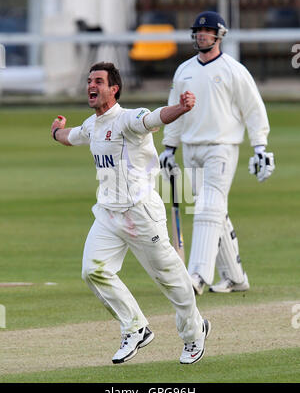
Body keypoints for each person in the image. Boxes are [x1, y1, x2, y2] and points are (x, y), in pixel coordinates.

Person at [50, 62, 211, 365]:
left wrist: (180, 108)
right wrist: (56, 131)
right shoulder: (92, 125)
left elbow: (154, 118)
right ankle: (136, 327)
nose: (91, 86)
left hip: (140, 213)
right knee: (93, 271)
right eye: (88, 81)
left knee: (170, 279)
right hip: (109, 215)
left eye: (98, 81)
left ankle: (194, 333)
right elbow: (69, 136)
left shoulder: (128, 119)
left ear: (114, 89)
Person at [159, 11, 275, 295]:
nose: (201, 35)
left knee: (208, 207)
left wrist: (260, 147)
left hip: (221, 148)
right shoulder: (184, 70)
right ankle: (235, 278)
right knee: (213, 212)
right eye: (198, 31)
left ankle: (197, 275)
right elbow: (174, 109)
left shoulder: (233, 70)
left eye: (207, 31)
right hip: (191, 148)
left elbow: (254, 110)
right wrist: (168, 148)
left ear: (219, 35)